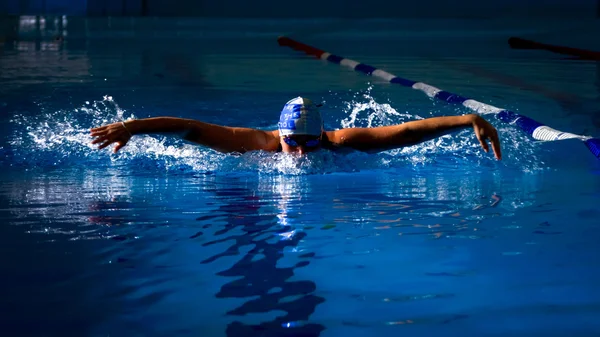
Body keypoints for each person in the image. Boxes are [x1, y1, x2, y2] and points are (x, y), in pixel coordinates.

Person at [90, 96, 502, 160]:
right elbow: (190, 129)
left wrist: (467, 119)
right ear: (280, 136)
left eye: (311, 143)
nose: (302, 154)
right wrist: (135, 127)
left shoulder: (340, 142)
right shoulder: (256, 144)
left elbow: (407, 132)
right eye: (294, 144)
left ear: (323, 135)